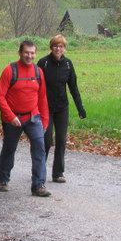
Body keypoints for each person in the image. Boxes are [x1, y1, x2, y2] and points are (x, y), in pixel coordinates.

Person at [0, 39, 50, 197]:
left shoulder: (38, 72)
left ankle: (38, 185)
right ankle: (3, 179)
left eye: (32, 53)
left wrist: (44, 120)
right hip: (13, 119)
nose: (29, 56)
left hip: (33, 117)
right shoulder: (10, 71)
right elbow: (0, 96)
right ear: (20, 52)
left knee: (40, 147)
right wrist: (10, 116)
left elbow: (43, 98)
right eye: (26, 52)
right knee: (9, 149)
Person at [37, 34, 87, 184]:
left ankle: (58, 173)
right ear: (51, 47)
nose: (58, 49)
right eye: (55, 46)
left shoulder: (68, 65)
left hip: (62, 108)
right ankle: (40, 170)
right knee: (46, 141)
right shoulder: (43, 63)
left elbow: (73, 88)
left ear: (64, 48)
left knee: (61, 140)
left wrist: (80, 108)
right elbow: (35, 87)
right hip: (46, 108)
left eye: (61, 46)